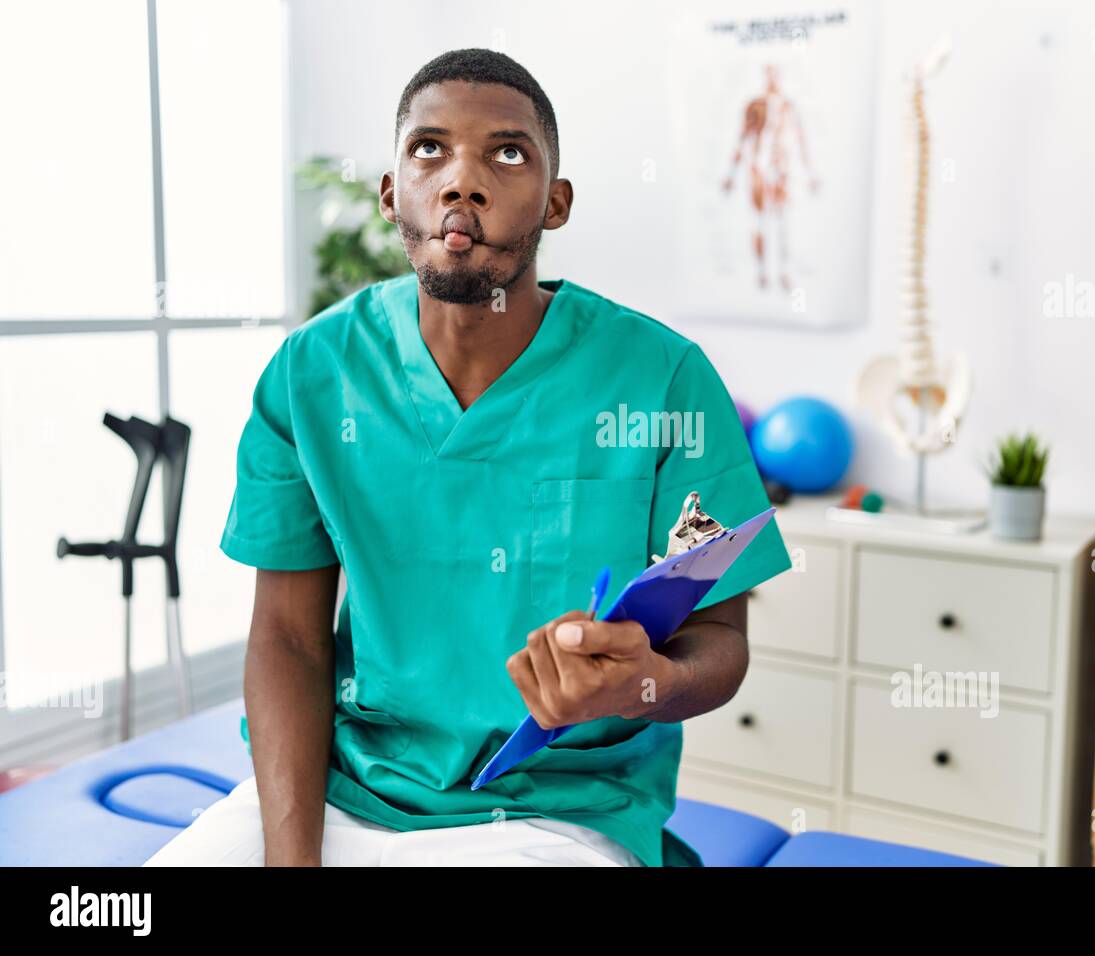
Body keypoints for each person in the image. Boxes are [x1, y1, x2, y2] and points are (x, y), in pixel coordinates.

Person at [145, 47, 790, 868]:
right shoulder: (312, 376)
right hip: (343, 790)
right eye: (429, 150)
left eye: (507, 153)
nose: (462, 180)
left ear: (554, 204)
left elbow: (720, 644)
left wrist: (638, 684)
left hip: (554, 810)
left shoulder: (661, 379)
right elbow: (288, 640)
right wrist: (292, 859)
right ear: (391, 193)